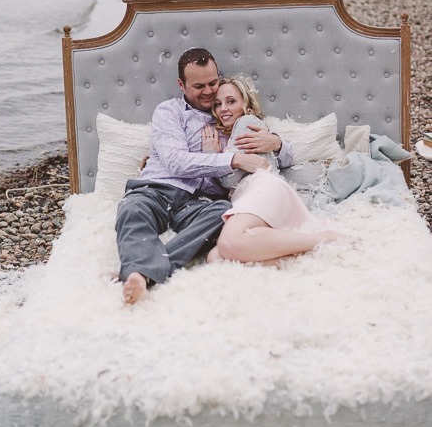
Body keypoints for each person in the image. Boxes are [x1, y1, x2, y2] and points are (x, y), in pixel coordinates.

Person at [116, 49, 289, 305]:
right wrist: (232, 159)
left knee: (224, 213)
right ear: (181, 85)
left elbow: (282, 158)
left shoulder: (230, 117)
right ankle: (143, 272)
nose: (209, 93)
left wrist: (276, 143)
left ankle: (142, 270)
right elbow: (176, 162)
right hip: (156, 189)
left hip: (199, 202)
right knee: (131, 211)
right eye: (199, 86)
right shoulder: (169, 111)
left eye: (212, 83)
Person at [202, 76, 341, 265]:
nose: (223, 109)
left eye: (231, 101)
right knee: (216, 258)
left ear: (246, 105)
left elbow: (229, 181)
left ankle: (324, 239)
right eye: (217, 104)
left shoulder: (246, 123)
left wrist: (212, 156)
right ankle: (294, 257)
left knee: (228, 243)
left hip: (262, 187)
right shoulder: (231, 135)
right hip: (252, 196)